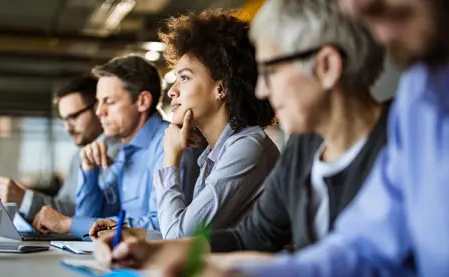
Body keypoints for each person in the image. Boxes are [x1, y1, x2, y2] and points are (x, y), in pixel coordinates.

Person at [99, 0, 449, 276]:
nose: (262, 89)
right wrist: (163, 253)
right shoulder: (309, 143)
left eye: (272, 71)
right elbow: (352, 250)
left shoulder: (404, 121)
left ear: (327, 66)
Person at [130, 9, 278, 240]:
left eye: (185, 77)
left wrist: (171, 159)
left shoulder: (248, 149)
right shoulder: (217, 151)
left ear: (221, 88)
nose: (172, 91)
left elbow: (181, 238)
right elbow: (186, 230)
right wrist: (134, 236)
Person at [31, 55, 173, 237]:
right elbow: (90, 217)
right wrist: (89, 172)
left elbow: (163, 226)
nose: (99, 112)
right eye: (99, 102)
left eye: (109, 102)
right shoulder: (126, 150)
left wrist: (67, 224)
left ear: (142, 101)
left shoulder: (168, 144)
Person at [0, 76, 120, 218]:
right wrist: (24, 196)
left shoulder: (117, 152)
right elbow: (64, 205)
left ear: (98, 109)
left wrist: (25, 199)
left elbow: (82, 217)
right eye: (64, 120)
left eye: (73, 117)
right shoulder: (77, 157)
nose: (67, 128)